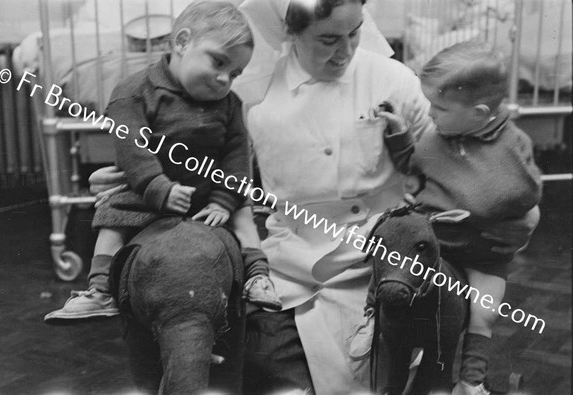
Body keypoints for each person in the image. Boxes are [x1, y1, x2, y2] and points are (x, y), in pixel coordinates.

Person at [89, 0, 541, 393]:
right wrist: (127, 178)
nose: (345, 51)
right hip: (295, 258)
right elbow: (204, 160)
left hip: (384, 248)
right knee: (262, 357)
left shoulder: (395, 80)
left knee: (420, 317)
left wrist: (515, 208)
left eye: (355, 32)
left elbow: (464, 146)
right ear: (292, 33)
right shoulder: (253, 93)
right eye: (328, 39)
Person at [44, 1, 282, 324]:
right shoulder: (134, 92)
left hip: (209, 191)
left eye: (235, 73)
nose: (225, 79)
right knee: (113, 214)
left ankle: (257, 275)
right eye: (218, 62)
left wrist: (224, 201)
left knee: (243, 212)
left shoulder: (229, 104)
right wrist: (159, 189)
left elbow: (237, 157)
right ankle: (100, 289)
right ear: (182, 42)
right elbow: (133, 149)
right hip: (149, 189)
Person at [377, 41, 542, 394]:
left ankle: (471, 382)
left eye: (440, 107)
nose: (431, 114)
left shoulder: (513, 145)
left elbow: (521, 191)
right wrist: (398, 134)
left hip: (485, 255)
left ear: (479, 113)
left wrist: (472, 207)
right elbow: (415, 164)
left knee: (484, 313)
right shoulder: (440, 137)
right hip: (440, 247)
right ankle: (401, 371)